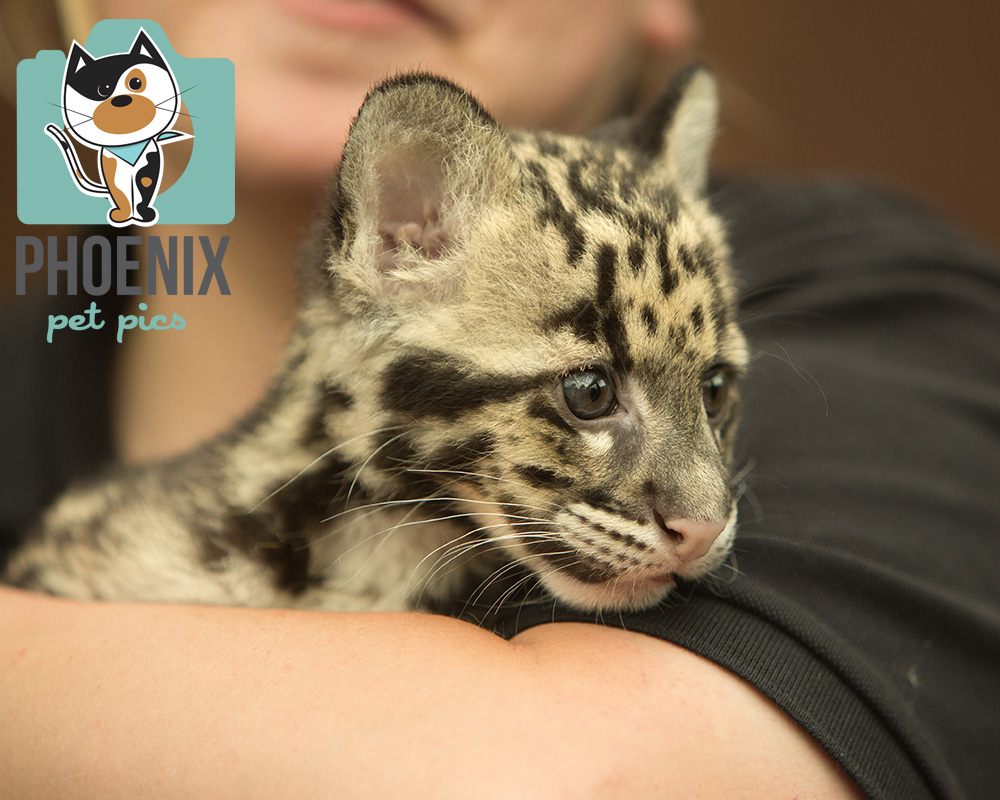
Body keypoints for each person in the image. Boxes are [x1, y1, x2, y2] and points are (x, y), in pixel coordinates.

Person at [2, 1, 997, 798]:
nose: (700, 513)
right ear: (400, 229)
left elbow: (572, 777)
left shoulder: (884, 302)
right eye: (585, 389)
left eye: (714, 386)